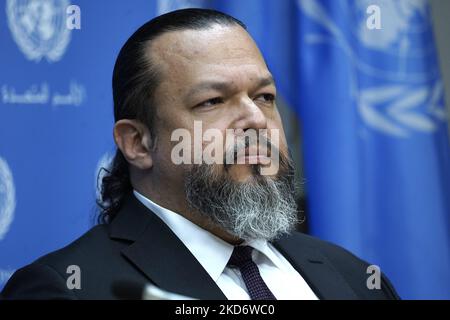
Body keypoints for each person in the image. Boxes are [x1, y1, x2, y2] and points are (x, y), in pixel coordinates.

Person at [1, 8, 399, 300]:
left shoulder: (356, 277)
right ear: (138, 143)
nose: (256, 120)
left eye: (265, 97)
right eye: (212, 101)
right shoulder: (66, 289)